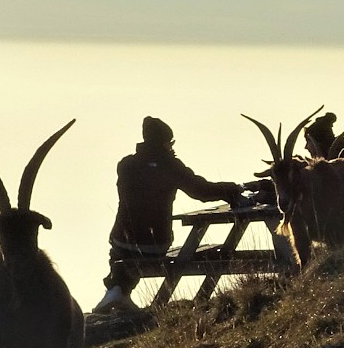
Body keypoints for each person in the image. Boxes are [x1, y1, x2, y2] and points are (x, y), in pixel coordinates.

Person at [93, 117, 243, 313]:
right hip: (155, 245)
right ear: (165, 142)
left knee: (121, 248)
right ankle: (119, 291)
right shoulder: (171, 166)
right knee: (143, 250)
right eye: (170, 143)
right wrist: (233, 189)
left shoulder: (125, 165)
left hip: (122, 240)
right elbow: (201, 192)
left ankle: (117, 290)